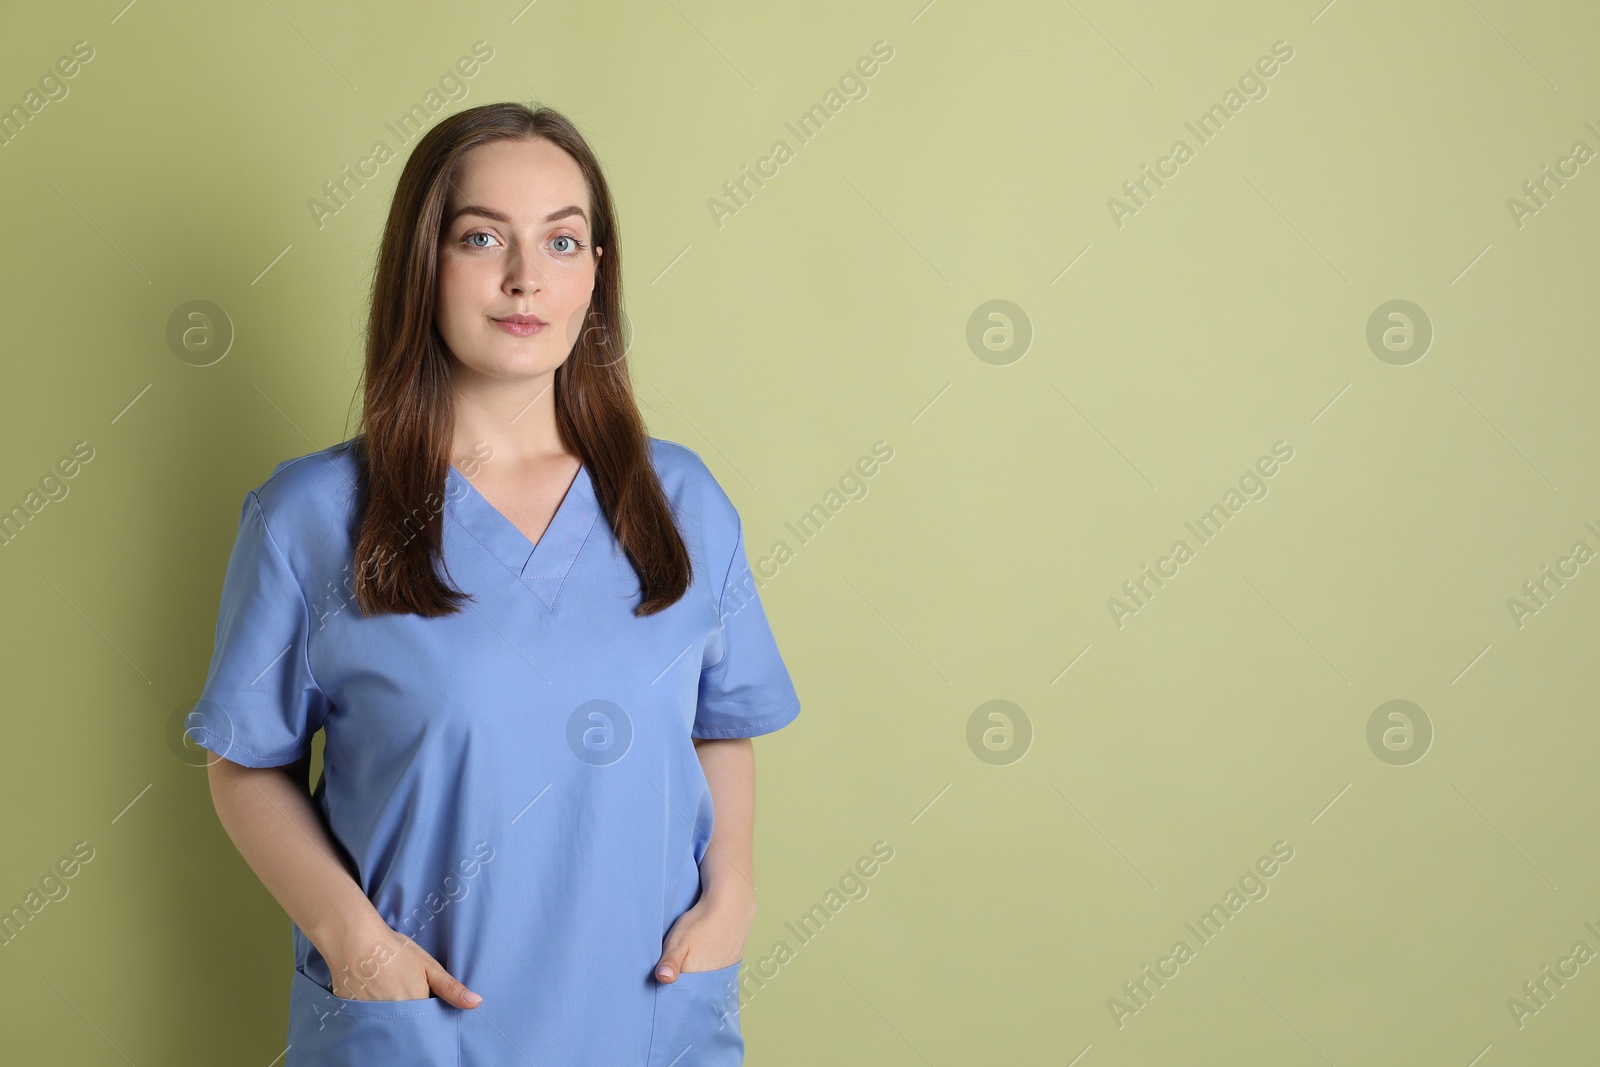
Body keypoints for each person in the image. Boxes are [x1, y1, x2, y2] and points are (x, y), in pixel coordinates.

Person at [190, 102, 802, 1066]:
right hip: (420, 1028)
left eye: (562, 240)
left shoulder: (680, 498)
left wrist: (733, 894)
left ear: (597, 272)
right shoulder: (310, 516)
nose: (526, 278)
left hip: (648, 1020)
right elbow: (244, 760)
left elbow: (721, 724)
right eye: (483, 237)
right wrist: (356, 943)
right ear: (421, 262)